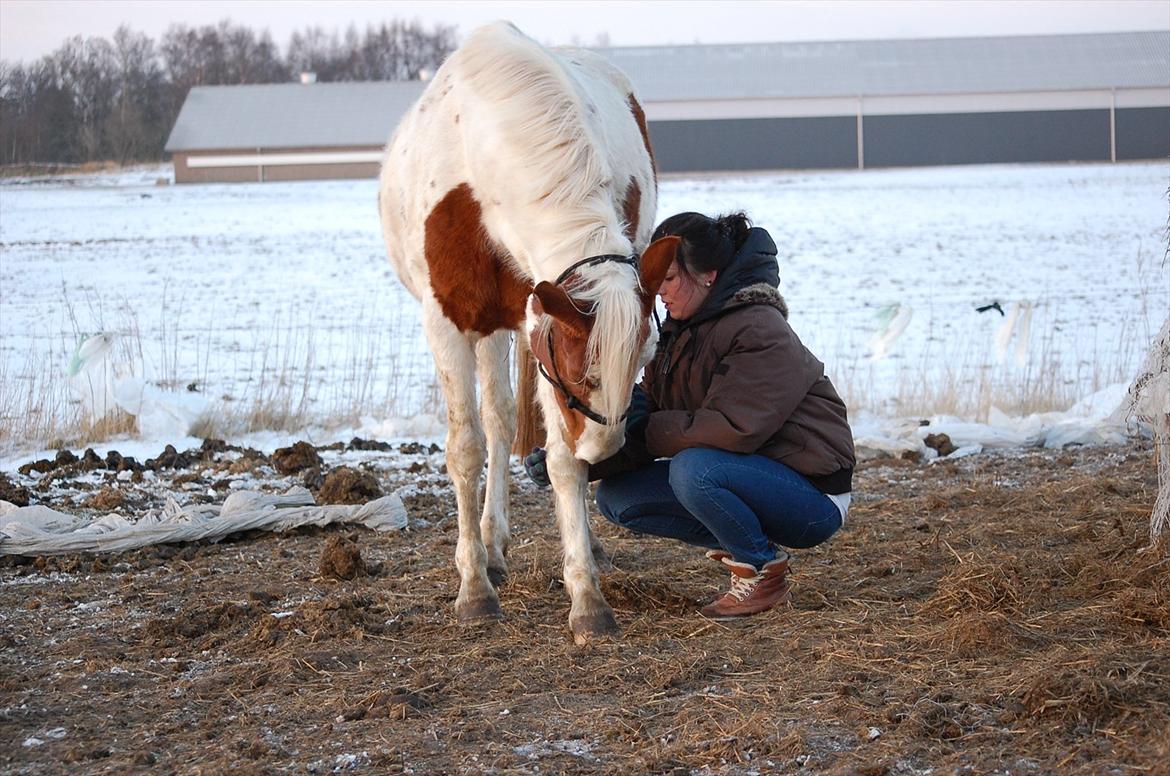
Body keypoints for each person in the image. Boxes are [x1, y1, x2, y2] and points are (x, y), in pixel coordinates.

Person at [526, 212, 855, 619]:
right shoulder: (678, 334)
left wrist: (646, 425)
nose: (659, 293)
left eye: (669, 280)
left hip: (811, 495)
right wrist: (582, 461)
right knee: (619, 498)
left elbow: (734, 430)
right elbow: (649, 414)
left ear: (708, 276)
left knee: (693, 471)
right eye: (653, 282)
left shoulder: (759, 329)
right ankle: (744, 541)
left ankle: (761, 572)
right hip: (743, 478)